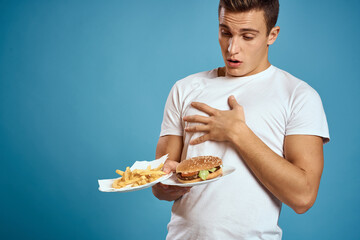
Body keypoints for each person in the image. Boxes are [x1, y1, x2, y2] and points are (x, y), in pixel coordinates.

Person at [152, 0, 330, 239]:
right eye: (225, 33)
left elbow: (303, 197)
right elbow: (160, 188)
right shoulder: (184, 89)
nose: (232, 48)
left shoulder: (298, 95)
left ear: (272, 35)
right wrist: (167, 182)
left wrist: (238, 133)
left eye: (247, 36)